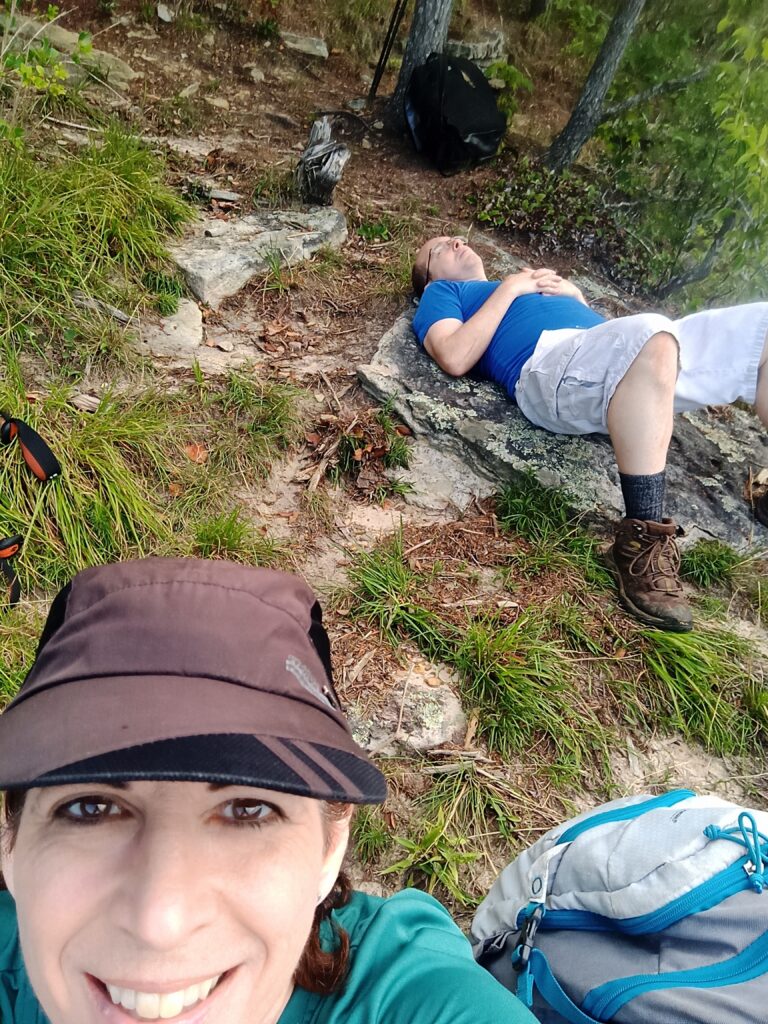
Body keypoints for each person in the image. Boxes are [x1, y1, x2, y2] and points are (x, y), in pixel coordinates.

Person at [0, 557, 536, 1024]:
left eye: (247, 809)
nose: (160, 923)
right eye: (90, 808)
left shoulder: (413, 1000)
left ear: (330, 846)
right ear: (10, 841)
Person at [411, 235, 768, 633]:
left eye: (456, 238)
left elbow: (609, 338)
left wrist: (576, 297)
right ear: (429, 277)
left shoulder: (529, 286)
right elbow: (454, 355)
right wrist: (510, 288)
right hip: (548, 370)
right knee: (654, 331)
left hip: (628, 369)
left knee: (761, 326)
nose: (456, 241)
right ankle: (642, 540)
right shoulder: (444, 293)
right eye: (439, 248)